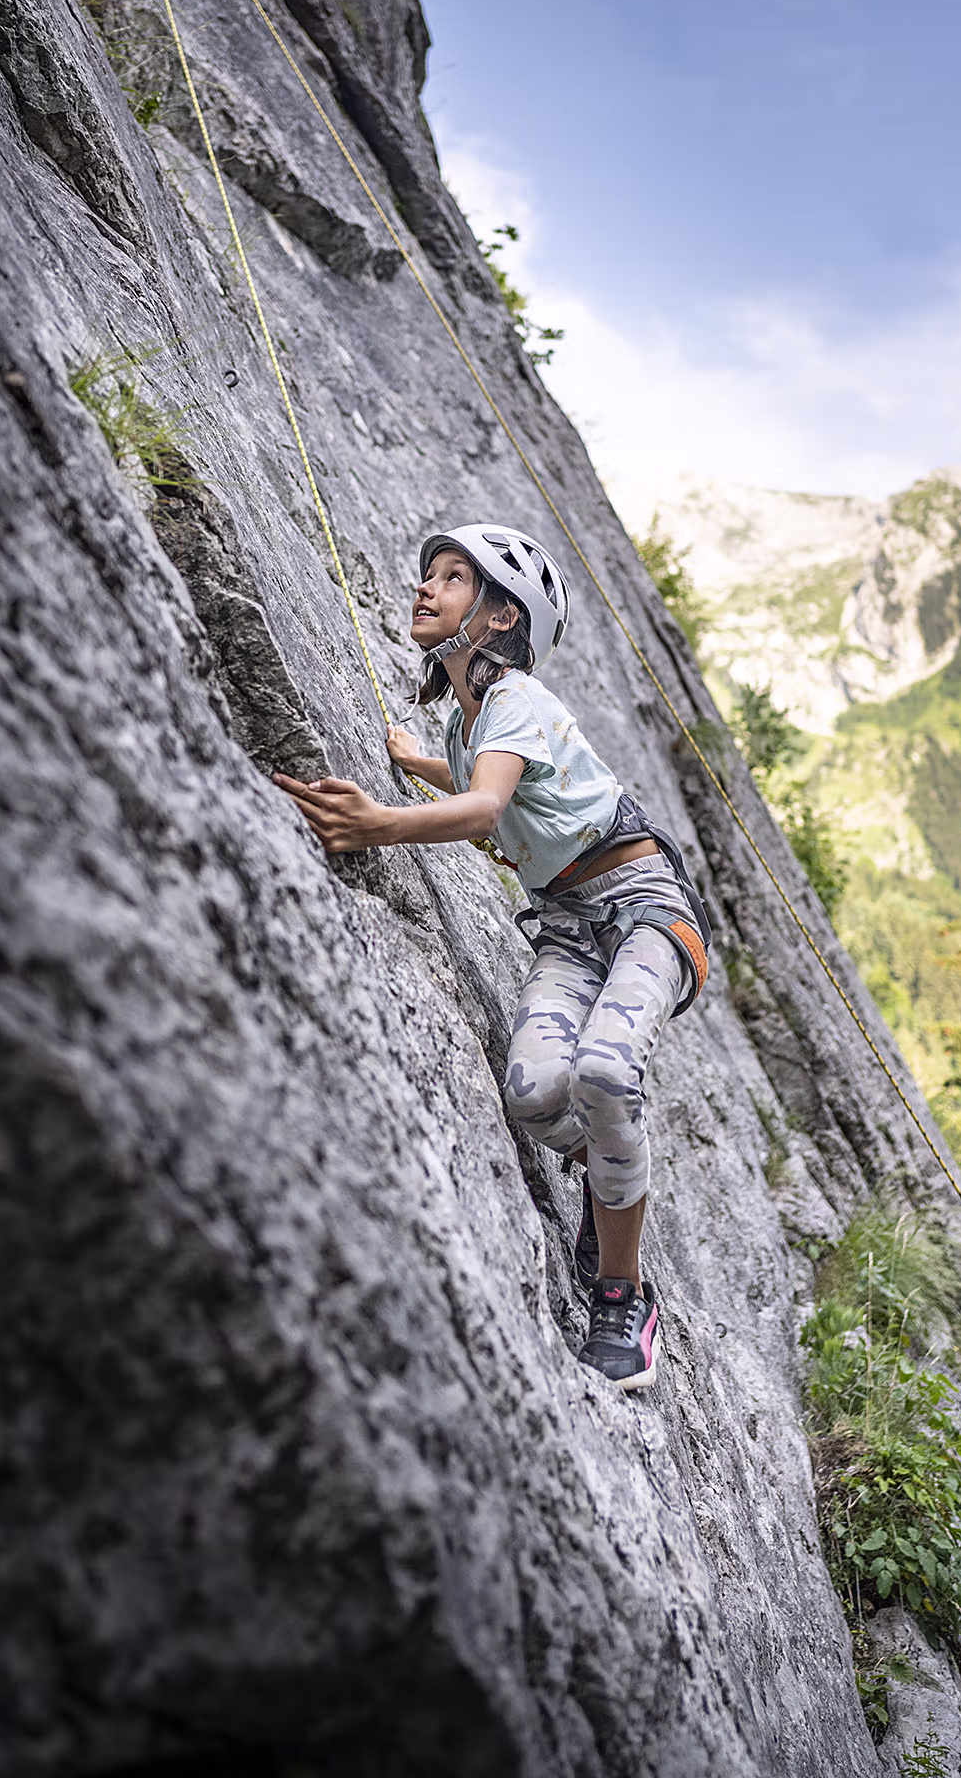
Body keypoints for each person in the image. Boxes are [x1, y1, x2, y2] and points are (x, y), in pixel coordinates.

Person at [274, 524, 711, 1391]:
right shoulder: (475, 724)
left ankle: (623, 1296)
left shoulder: (515, 700)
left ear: (503, 617)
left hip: (644, 911)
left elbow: (485, 811)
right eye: (428, 576)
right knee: (535, 1092)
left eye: (452, 580)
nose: (425, 590)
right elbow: (490, 784)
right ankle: (611, 1183)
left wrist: (381, 823)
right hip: (568, 925)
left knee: (606, 1072)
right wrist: (422, 762)